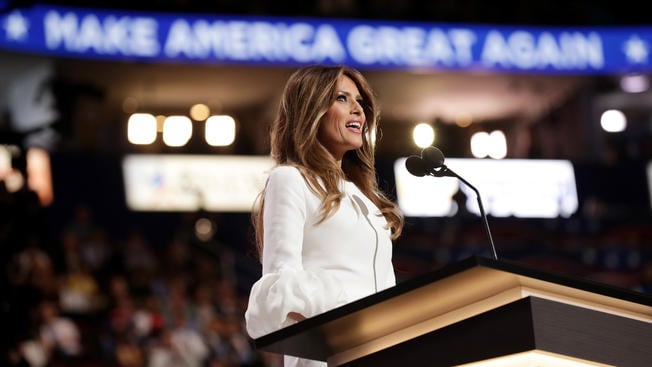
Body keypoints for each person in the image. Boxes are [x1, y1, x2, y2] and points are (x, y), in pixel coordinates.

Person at [244, 65, 404, 367]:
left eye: (360, 101)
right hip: (327, 357)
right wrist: (351, 315)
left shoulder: (367, 200)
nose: (357, 109)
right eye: (342, 98)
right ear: (311, 110)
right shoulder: (290, 180)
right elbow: (280, 291)